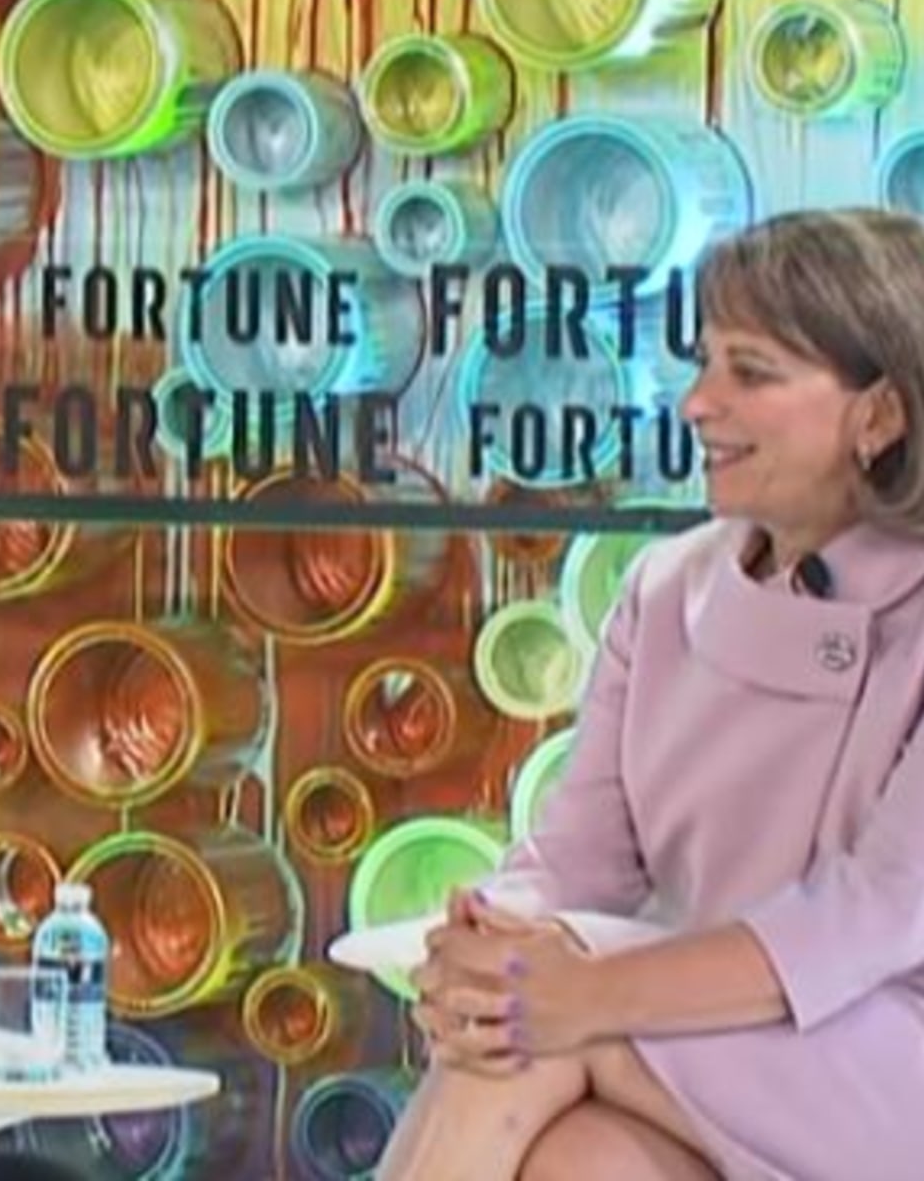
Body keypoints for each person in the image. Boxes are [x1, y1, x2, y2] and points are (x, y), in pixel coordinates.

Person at [377, 206, 924, 1181]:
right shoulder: (667, 587)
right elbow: (577, 856)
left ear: (878, 414)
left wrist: (583, 988)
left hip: (882, 1056)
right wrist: (487, 935)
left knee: (528, 1028)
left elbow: (873, 914)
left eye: (750, 372)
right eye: (704, 364)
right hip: (687, 1029)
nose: (698, 404)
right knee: (579, 1158)